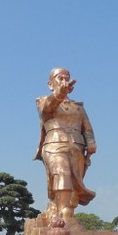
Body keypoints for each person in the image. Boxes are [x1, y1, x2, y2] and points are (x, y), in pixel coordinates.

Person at [34, 68, 97, 225]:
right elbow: (47, 109)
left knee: (75, 183)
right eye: (59, 78)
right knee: (61, 174)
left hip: (77, 147)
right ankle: (63, 215)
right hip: (54, 144)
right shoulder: (44, 101)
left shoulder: (78, 107)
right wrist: (59, 94)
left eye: (66, 78)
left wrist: (90, 142)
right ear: (50, 84)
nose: (64, 81)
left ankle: (65, 209)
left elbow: (87, 128)